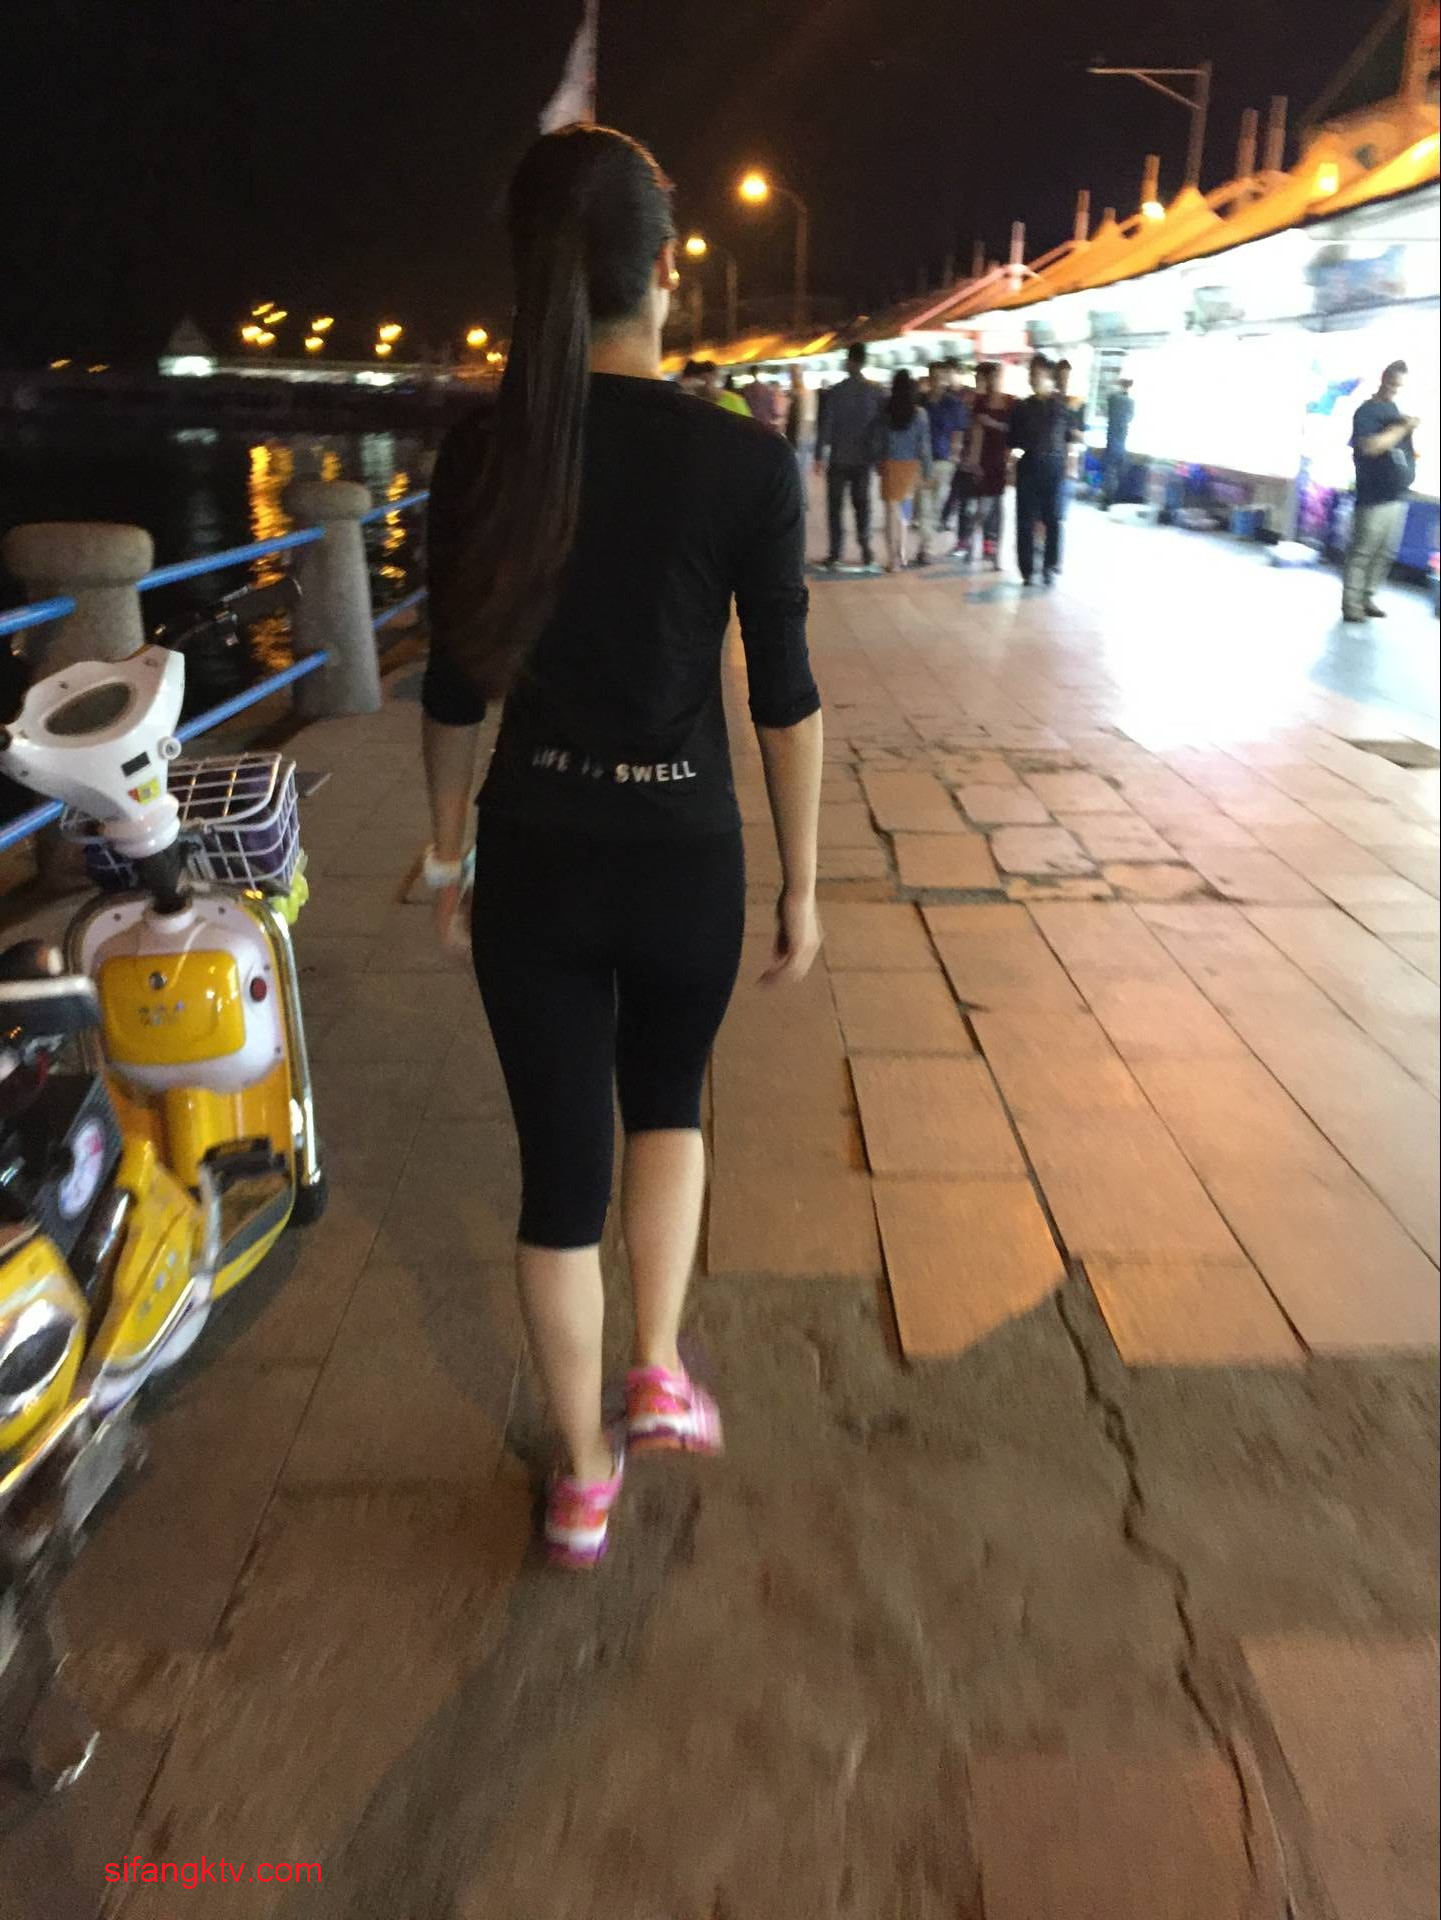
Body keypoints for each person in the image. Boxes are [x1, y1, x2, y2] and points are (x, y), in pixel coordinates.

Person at [421, 125, 824, 1570]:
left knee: (556, 1177)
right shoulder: (746, 463)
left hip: (535, 856)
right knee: (668, 1107)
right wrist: (803, 883)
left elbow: (453, 690)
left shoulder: (484, 454)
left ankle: (581, 1479)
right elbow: (784, 697)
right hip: (685, 856)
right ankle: (654, 1365)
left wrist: (445, 856)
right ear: (664, 274)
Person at [1343, 360, 1419, 623]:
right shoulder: (1367, 412)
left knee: (1385, 553)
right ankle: (1351, 604)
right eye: (1393, 384)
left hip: (1396, 495)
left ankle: (1367, 597)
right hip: (1373, 497)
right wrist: (1402, 428)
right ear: (1383, 379)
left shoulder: (1393, 410)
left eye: (1400, 386)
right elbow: (1371, 447)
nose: (1395, 390)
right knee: (1362, 553)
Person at [1008, 354, 1075, 585]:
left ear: (1049, 376)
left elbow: (1069, 438)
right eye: (1031, 374)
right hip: (1029, 465)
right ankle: (1027, 569)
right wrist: (1012, 463)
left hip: (1054, 467)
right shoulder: (1021, 407)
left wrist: (1070, 464)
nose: (1034, 378)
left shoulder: (1061, 407)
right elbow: (1013, 441)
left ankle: (1050, 565)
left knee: (1053, 518)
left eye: (1038, 374)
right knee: (1025, 520)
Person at [815, 342, 882, 569]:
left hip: (839, 458)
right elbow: (879, 427)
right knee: (862, 505)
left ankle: (835, 552)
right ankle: (865, 549)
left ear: (850, 362)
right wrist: (878, 455)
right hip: (863, 459)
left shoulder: (836, 392)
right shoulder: (875, 392)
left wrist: (819, 454)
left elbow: (826, 425)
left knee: (835, 507)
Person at [878, 370, 932, 570]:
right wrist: (927, 470)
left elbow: (880, 440)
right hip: (911, 468)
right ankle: (901, 554)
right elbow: (924, 446)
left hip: (890, 465)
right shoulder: (920, 414)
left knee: (890, 513)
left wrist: (878, 461)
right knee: (904, 514)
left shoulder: (886, 412)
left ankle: (892, 559)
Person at [959, 362, 1011, 568]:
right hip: (984, 460)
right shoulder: (979, 402)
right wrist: (973, 461)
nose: (994, 381)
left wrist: (992, 423)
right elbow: (976, 432)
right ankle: (972, 543)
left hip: (1000, 460)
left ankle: (996, 553)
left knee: (998, 508)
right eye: (991, 377)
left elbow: (1012, 432)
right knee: (982, 508)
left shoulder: (1010, 402)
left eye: (997, 377)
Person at [918, 362, 967, 564]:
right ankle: (927, 548)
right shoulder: (920, 403)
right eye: (934, 377)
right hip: (923, 461)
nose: (937, 382)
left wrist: (955, 456)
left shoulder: (953, 404)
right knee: (923, 505)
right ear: (929, 379)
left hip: (944, 461)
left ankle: (926, 544)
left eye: (941, 378)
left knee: (937, 505)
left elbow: (959, 431)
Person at [1101, 378, 1135, 509]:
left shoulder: (1114, 399)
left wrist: (1115, 383)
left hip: (1112, 439)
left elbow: (1107, 406)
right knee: (1116, 472)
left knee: (1109, 472)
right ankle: (1112, 500)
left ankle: (1106, 500)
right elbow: (1130, 418)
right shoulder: (1130, 402)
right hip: (1122, 440)